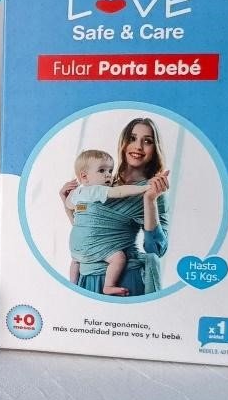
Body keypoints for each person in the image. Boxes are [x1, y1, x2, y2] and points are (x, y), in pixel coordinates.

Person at [59, 118, 171, 296]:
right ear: (123, 142)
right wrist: (65, 203)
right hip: (87, 278)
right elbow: (88, 230)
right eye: (132, 138)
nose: (138, 146)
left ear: (154, 148)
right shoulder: (100, 182)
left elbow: (156, 249)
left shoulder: (153, 190)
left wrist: (149, 201)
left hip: (125, 280)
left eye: (147, 141)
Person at [65, 149, 152, 296]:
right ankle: (109, 286)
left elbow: (70, 206)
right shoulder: (96, 190)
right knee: (118, 258)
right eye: (102, 170)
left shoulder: (76, 194)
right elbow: (120, 192)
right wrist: (144, 188)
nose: (108, 175)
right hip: (93, 245)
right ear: (84, 176)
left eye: (110, 171)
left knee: (75, 262)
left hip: (75, 245)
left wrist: (67, 197)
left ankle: (72, 285)